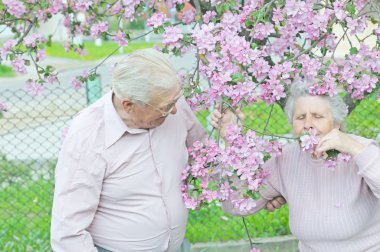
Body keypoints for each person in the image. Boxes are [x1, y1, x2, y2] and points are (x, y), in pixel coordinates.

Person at [50, 48, 207, 252]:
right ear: (129, 105)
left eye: (175, 101)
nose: (175, 110)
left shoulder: (170, 104)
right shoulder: (89, 135)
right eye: (165, 107)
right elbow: (69, 233)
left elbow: (205, 155)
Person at [210, 80, 380, 251]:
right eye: (300, 117)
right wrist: (232, 139)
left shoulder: (361, 151)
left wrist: (354, 148)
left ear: (336, 122)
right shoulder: (285, 158)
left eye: (317, 116)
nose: (308, 124)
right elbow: (236, 205)